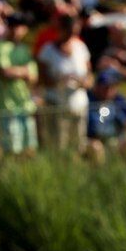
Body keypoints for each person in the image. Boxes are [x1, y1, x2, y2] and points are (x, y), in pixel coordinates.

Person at [37, 12, 92, 153]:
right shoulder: (47, 50)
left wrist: (83, 82)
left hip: (79, 105)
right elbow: (41, 80)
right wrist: (59, 81)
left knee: (78, 145)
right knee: (58, 146)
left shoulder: (81, 47)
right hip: (56, 105)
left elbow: (89, 77)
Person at [0, 11, 39, 156]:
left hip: (25, 105)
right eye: (14, 26)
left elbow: (33, 76)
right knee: (12, 149)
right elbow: (4, 72)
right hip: (7, 107)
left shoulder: (25, 49)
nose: (17, 30)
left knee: (29, 147)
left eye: (20, 26)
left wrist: (17, 71)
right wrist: (24, 71)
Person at [85, 67, 126, 164]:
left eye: (112, 87)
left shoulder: (118, 100)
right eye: (105, 87)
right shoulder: (87, 99)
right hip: (93, 141)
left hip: (115, 139)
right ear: (97, 86)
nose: (108, 91)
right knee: (96, 147)